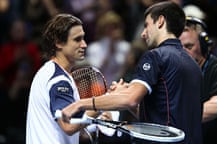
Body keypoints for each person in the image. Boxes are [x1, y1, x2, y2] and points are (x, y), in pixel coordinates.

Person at [61, 2, 203, 144]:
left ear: (160, 21)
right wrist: (126, 97)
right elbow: (163, 113)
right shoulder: (194, 65)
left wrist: (80, 104)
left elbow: (130, 99)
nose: (143, 33)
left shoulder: (156, 56)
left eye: (147, 25)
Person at [26, 13, 113, 144]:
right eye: (77, 40)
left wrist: (95, 122)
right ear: (59, 43)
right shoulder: (58, 79)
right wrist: (100, 106)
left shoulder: (52, 73)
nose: (84, 45)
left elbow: (74, 131)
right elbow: (68, 126)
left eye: (83, 38)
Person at [179, 16, 217, 144]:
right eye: (179, 47)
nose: (182, 53)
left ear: (205, 46)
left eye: (189, 46)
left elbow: (216, 107)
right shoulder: (177, 73)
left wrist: (176, 116)